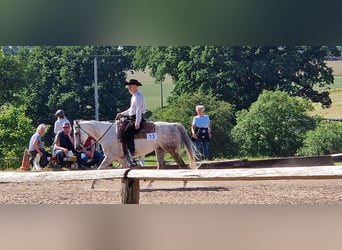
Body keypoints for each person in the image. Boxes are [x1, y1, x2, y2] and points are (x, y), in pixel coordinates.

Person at [116, 79, 146, 165]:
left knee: (126, 133)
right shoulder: (134, 96)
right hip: (132, 117)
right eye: (129, 86)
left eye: (130, 85)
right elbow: (131, 110)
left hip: (137, 118)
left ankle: (131, 153)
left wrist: (137, 122)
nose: (129, 87)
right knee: (122, 130)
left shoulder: (138, 96)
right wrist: (122, 113)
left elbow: (138, 110)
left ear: (135, 86)